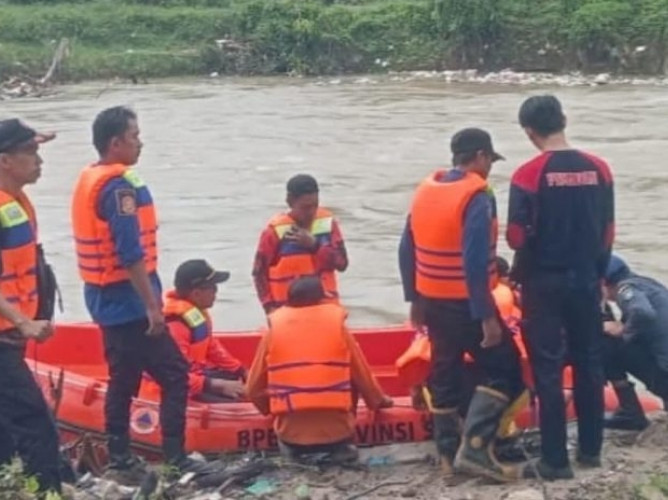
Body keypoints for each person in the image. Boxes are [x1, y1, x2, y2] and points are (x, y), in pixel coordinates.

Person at [70, 106, 205, 479]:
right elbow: (131, 254)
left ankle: (120, 454)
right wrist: (153, 307)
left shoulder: (94, 178)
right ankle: (175, 456)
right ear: (116, 143)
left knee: (124, 377)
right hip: (129, 303)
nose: (140, 143)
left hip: (105, 299)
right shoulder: (118, 189)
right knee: (175, 373)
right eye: (134, 136)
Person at [399, 128, 526, 483]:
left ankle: (446, 456)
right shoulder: (478, 196)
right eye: (489, 161)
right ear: (481, 156)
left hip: (434, 301)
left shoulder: (427, 190)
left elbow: (406, 248)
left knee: (444, 371)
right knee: (507, 371)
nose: (489, 169)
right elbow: (473, 260)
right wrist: (486, 315)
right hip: (466, 303)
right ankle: (475, 450)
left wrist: (414, 298)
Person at [507, 95, 615, 479]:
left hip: (544, 282)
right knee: (589, 362)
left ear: (529, 131)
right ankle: (590, 451)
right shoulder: (599, 169)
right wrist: (599, 276)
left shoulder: (527, 174)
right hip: (587, 277)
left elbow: (517, 236)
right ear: (564, 120)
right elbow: (608, 232)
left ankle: (555, 460)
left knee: (549, 368)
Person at [0, 119, 61, 493]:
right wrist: (24, 322)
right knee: (36, 424)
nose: (39, 161)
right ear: (5, 161)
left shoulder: (12, 205)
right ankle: (49, 492)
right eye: (31, 153)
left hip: (2, 338)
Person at [245, 276, 392, 463]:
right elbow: (364, 380)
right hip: (337, 437)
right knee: (348, 373)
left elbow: (252, 390)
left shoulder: (272, 333)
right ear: (321, 300)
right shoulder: (340, 331)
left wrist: (272, 411)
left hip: (291, 439)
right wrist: (379, 402)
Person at [140, 259, 247, 403]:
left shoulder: (195, 315)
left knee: (240, 383)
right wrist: (218, 385)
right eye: (213, 288)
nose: (216, 292)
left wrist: (240, 370)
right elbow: (174, 374)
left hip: (194, 377)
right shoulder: (176, 326)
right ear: (196, 293)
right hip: (171, 388)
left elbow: (211, 347)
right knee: (236, 403)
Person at [252, 174, 348, 314]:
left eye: (315, 206)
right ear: (290, 201)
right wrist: (269, 307)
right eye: (305, 207)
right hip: (287, 312)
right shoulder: (273, 233)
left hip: (326, 309)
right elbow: (258, 273)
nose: (311, 212)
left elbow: (342, 264)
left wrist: (315, 246)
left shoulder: (328, 225)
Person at [602, 254, 668, 430]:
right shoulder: (648, 285)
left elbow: (642, 312)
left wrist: (623, 329)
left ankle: (630, 412)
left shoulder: (626, 289)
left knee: (606, 341)